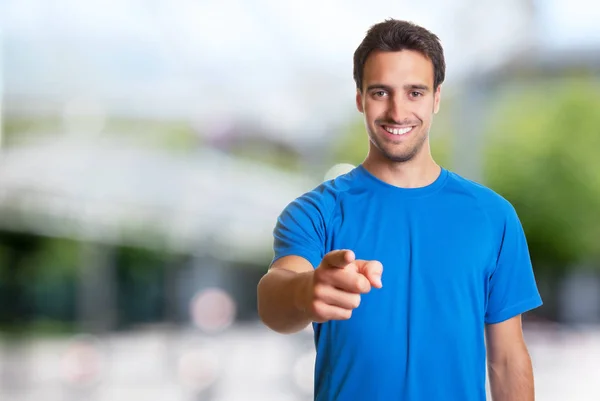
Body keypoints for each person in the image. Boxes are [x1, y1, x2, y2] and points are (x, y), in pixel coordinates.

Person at [257, 18, 542, 401]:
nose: (397, 111)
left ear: (437, 98)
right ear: (359, 97)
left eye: (415, 92)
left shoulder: (494, 217)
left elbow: (507, 360)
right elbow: (275, 299)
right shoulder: (315, 213)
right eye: (380, 92)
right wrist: (305, 292)